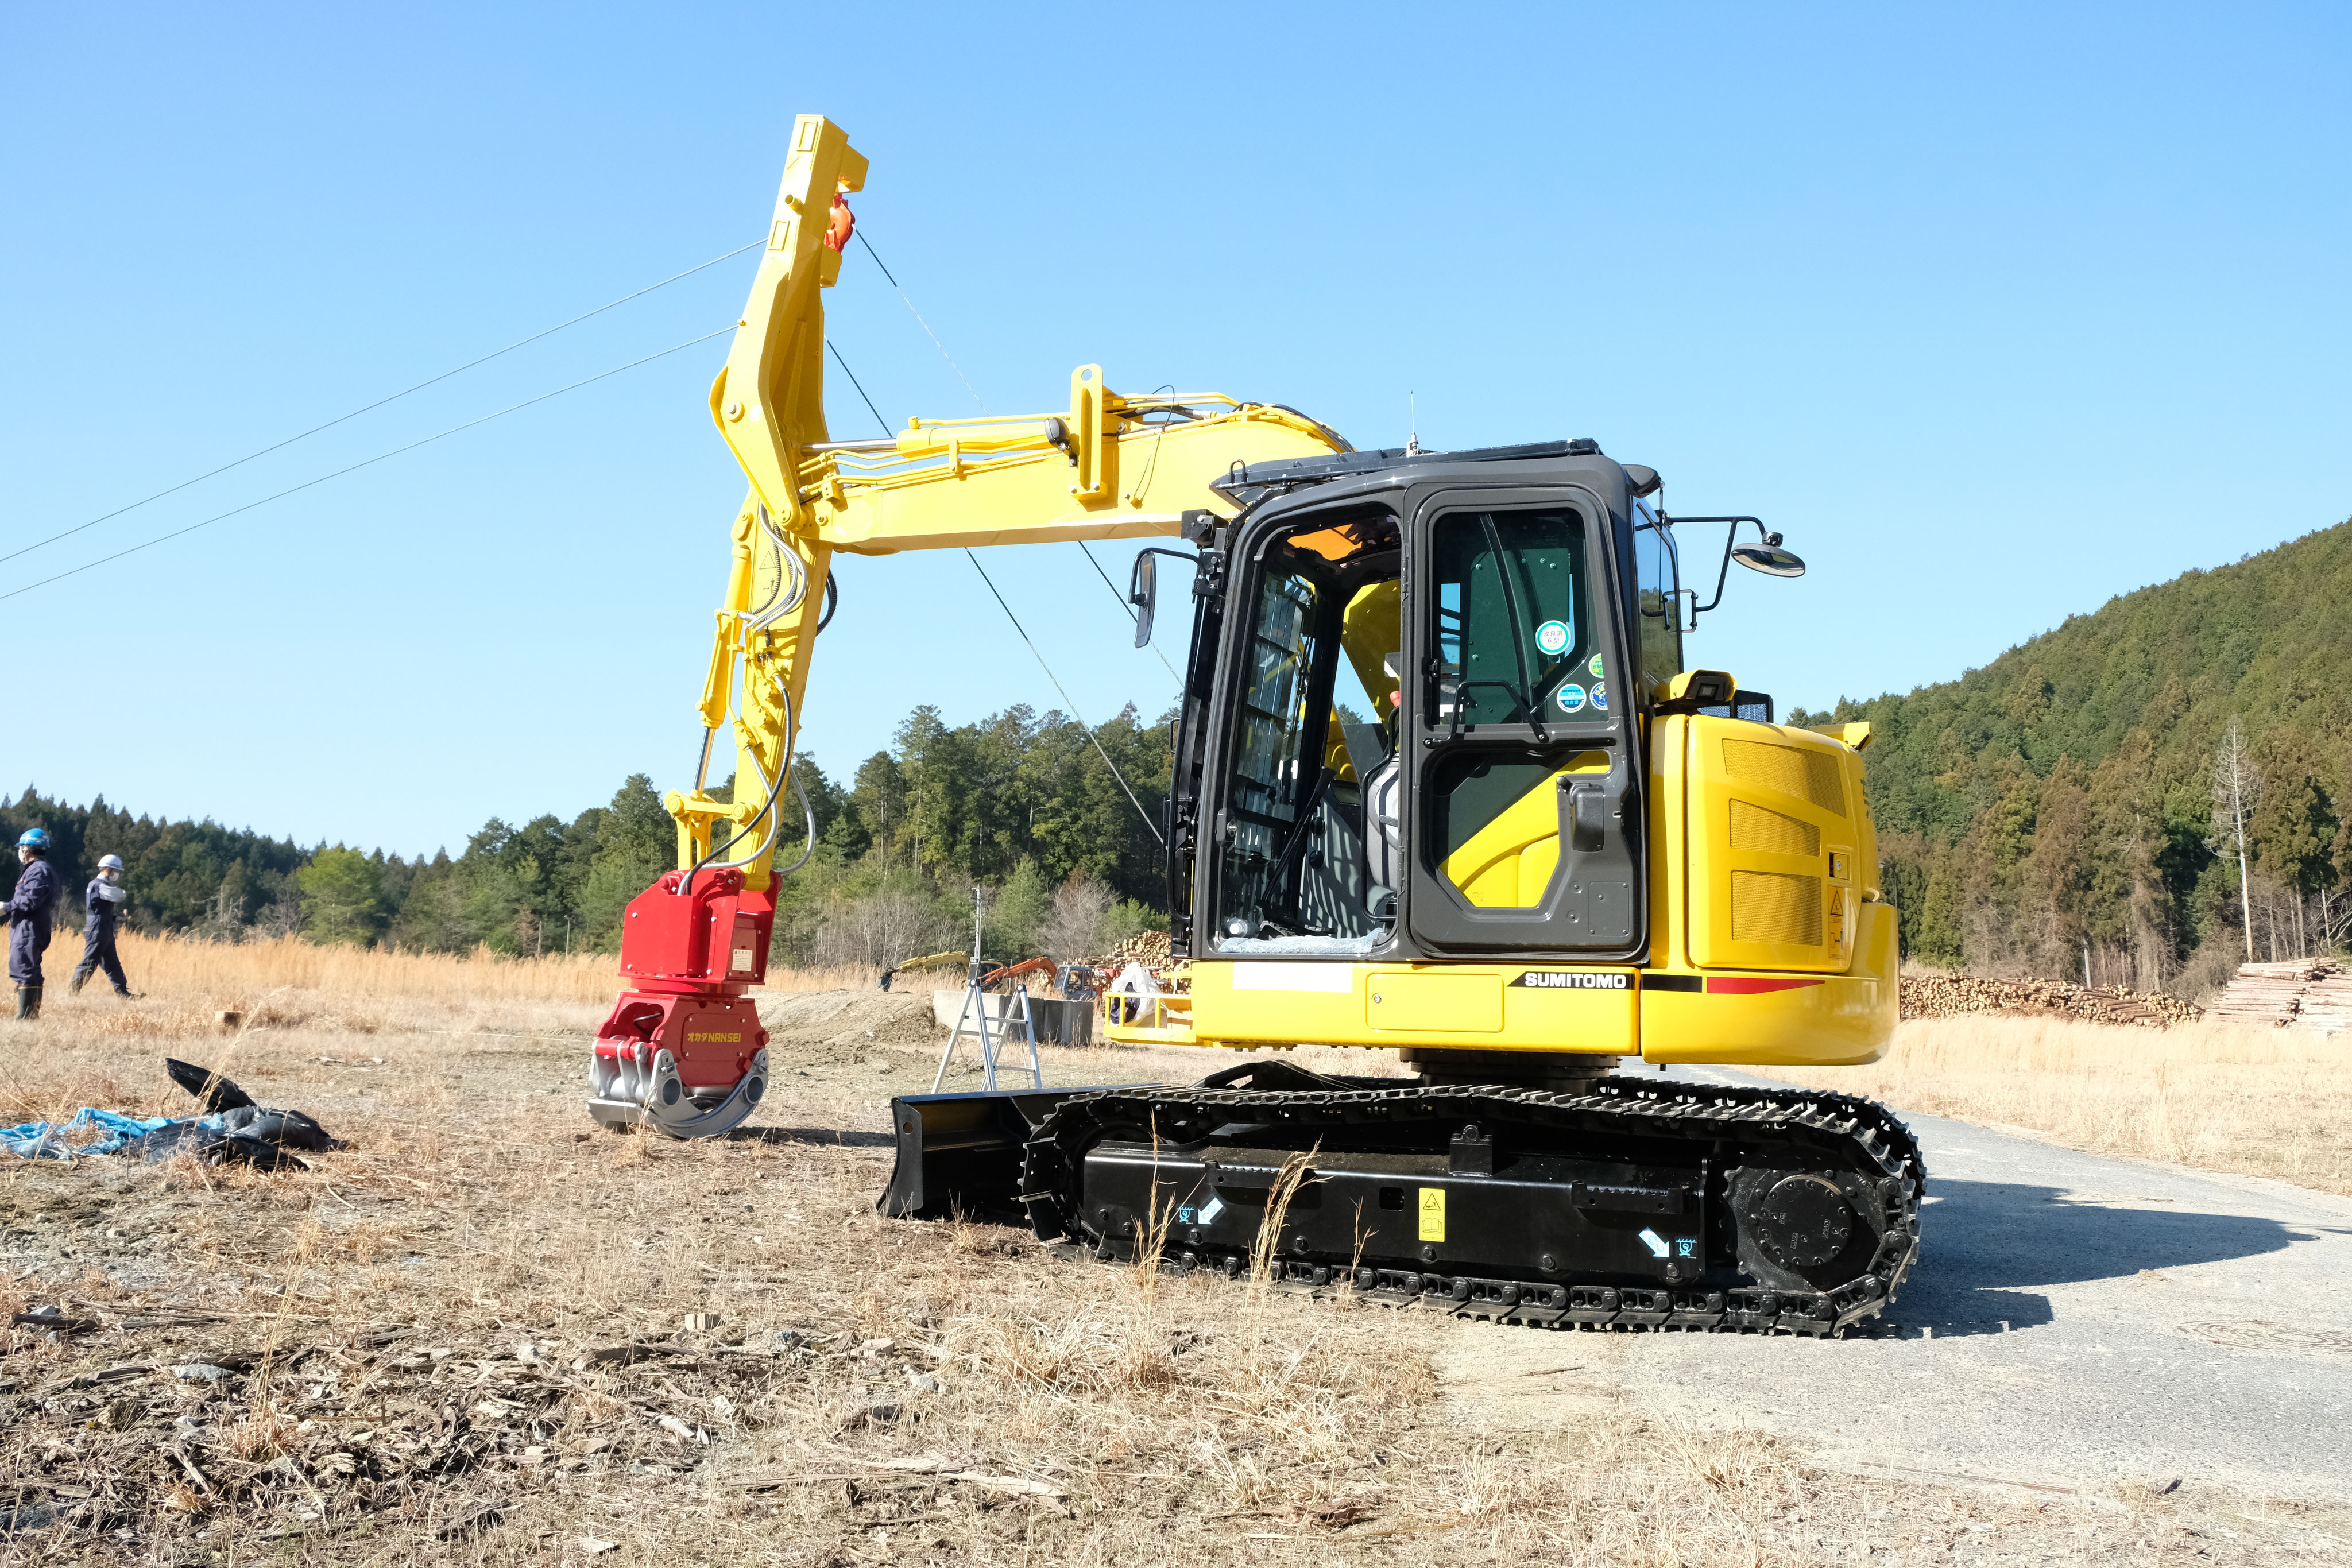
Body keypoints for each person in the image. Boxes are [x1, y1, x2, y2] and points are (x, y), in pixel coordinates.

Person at [3, 829, 60, 1019]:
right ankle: (31, 1014)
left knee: (23, 965)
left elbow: (31, 900)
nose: (20, 852)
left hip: (30, 926)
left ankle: (26, 1015)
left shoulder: (39, 870)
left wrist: (6, 907)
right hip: (30, 925)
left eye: (21, 848)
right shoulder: (38, 869)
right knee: (30, 967)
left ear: (27, 849)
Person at [72, 853, 136, 998]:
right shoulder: (99, 885)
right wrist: (124, 893)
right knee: (90, 962)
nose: (117, 874)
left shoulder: (98, 886)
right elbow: (120, 895)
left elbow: (100, 909)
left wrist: (115, 918)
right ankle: (72, 991)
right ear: (108, 869)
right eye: (116, 871)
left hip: (103, 929)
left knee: (112, 963)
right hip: (97, 930)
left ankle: (123, 993)